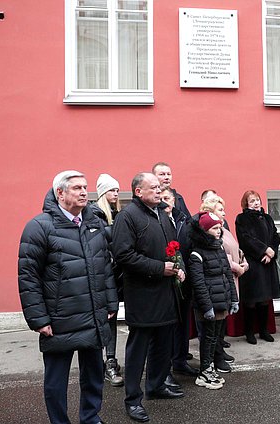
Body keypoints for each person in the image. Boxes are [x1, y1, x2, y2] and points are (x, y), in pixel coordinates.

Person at [18, 170, 118, 424]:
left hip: (93, 314)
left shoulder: (94, 222)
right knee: (56, 382)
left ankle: (90, 417)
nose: (85, 192)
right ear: (59, 193)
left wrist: (110, 302)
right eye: (77, 188)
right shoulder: (39, 227)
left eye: (85, 187)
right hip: (59, 319)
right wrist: (39, 319)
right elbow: (28, 277)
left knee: (94, 375)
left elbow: (105, 266)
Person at [112, 173, 186, 423]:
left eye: (160, 186)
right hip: (143, 296)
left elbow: (174, 247)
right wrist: (158, 268)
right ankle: (133, 400)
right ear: (138, 192)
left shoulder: (162, 215)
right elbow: (123, 255)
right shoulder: (128, 217)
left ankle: (156, 386)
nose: (159, 190)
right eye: (153, 187)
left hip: (166, 293)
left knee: (163, 345)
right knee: (138, 350)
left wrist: (178, 267)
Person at [188, 212, 239, 390]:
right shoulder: (196, 254)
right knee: (208, 338)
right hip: (208, 306)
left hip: (221, 302)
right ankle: (204, 371)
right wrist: (207, 307)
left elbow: (228, 275)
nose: (219, 231)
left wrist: (233, 299)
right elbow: (198, 283)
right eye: (215, 228)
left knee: (215, 337)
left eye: (220, 228)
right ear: (205, 230)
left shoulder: (219, 249)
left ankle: (210, 368)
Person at [200, 195, 248, 372]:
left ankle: (219, 352)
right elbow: (218, 256)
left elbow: (236, 249)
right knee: (214, 326)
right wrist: (237, 267)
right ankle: (215, 358)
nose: (224, 213)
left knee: (222, 323)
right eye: (220, 210)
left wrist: (244, 262)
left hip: (229, 281)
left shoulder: (223, 230)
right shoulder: (209, 232)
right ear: (210, 212)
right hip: (219, 283)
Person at [160, 188, 199, 378]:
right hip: (165, 280)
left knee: (183, 322)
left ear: (174, 200)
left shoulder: (183, 219)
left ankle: (180, 361)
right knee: (167, 325)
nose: (165, 202)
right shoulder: (156, 220)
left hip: (184, 280)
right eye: (161, 198)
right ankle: (164, 368)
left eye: (167, 198)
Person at [90, 173, 124, 387]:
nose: (116, 193)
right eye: (112, 190)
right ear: (103, 192)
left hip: (116, 275)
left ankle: (110, 360)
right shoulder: (94, 215)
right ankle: (107, 362)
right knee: (106, 319)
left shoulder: (116, 213)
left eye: (118, 190)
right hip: (103, 276)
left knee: (111, 317)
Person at [235, 190, 280, 344]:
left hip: (268, 262)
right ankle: (249, 332)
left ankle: (264, 330)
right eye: (252, 200)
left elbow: (275, 236)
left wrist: (271, 252)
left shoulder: (267, 218)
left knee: (265, 300)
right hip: (253, 263)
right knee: (252, 300)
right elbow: (246, 239)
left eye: (257, 200)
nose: (256, 203)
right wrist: (263, 250)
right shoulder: (242, 219)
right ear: (246, 203)